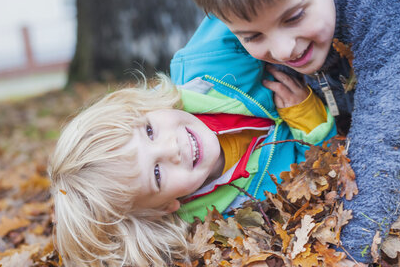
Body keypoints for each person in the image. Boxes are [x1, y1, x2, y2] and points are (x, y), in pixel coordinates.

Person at [181, 0, 400, 262]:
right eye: (253, 36)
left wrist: (350, 255)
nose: (283, 51)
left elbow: (385, 140)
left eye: (294, 17)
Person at [48, 44, 336, 266]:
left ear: (141, 107)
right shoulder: (242, 212)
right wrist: (308, 119)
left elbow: (238, 5)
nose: (171, 148)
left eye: (149, 131)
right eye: (157, 174)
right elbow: (319, 176)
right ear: (163, 208)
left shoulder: (206, 65)